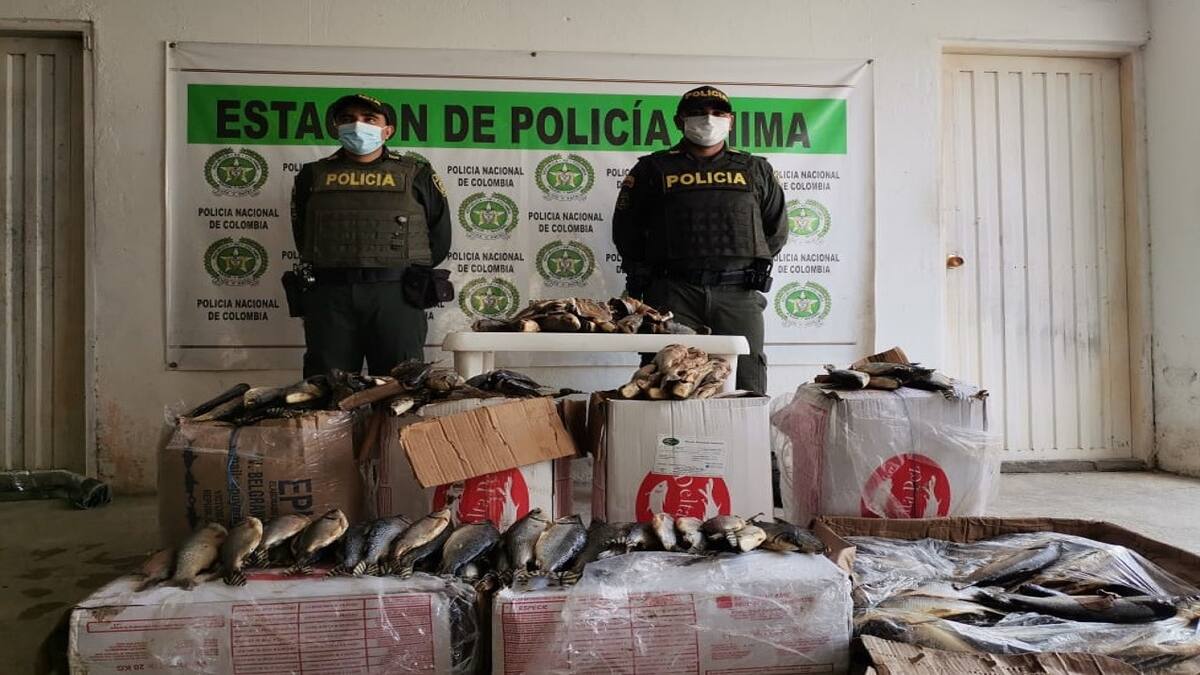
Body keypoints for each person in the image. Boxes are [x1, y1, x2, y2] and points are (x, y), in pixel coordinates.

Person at [612, 85, 787, 393]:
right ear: (679, 121)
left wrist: (737, 265)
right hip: (673, 293)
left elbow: (775, 229)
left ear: (731, 121)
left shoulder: (755, 169)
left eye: (718, 113)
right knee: (665, 381)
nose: (708, 119)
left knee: (745, 381)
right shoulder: (653, 168)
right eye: (697, 113)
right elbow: (627, 230)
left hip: (738, 293)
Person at [290, 93, 451, 377]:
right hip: (331, 295)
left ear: (387, 130)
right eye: (347, 119)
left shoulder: (418, 174)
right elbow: (303, 234)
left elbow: (439, 238)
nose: (357, 125)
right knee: (327, 387)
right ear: (336, 128)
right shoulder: (312, 175)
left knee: (400, 386)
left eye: (369, 119)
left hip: (396, 295)